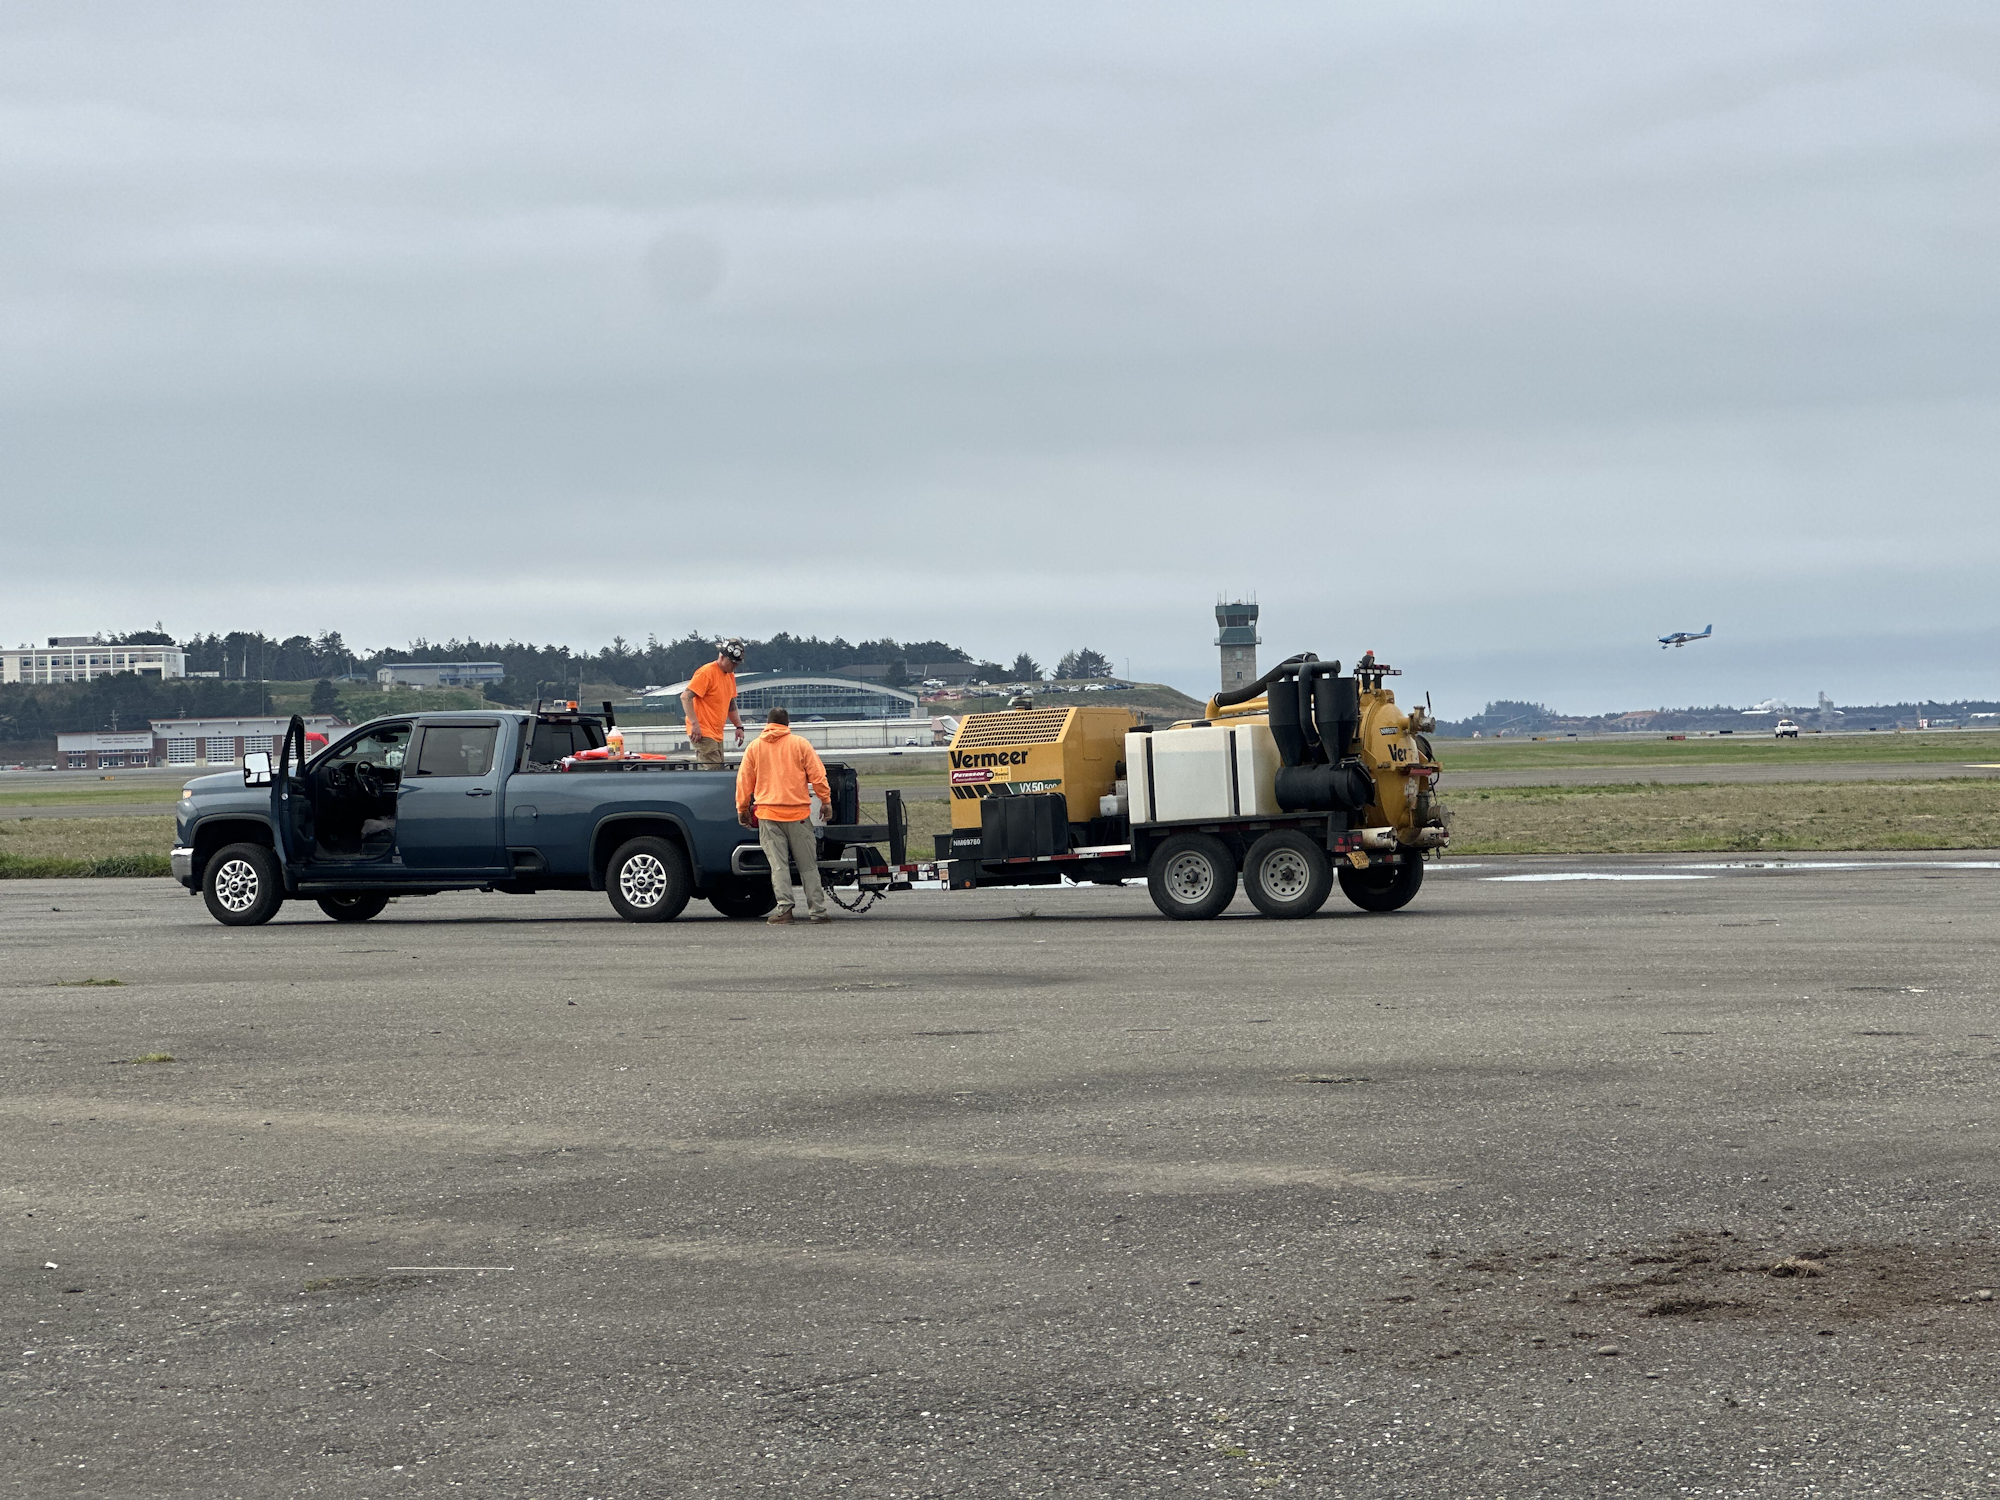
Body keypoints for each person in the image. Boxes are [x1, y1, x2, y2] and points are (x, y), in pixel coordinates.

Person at [735, 707, 832, 925]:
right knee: (808, 865)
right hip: (798, 814)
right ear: (787, 724)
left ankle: (785, 911)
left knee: (778, 866)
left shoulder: (755, 747)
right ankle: (818, 911)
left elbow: (744, 782)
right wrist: (825, 801)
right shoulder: (800, 744)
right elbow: (818, 776)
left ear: (767, 723)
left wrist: (742, 809)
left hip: (768, 814)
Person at [681, 639, 746, 769]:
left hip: (717, 733)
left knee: (718, 768)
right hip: (703, 731)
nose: (734, 667)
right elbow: (685, 696)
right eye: (732, 663)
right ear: (722, 657)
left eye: (736, 664)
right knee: (713, 769)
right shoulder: (706, 672)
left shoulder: (729, 675)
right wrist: (695, 724)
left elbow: (730, 703)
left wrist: (739, 726)